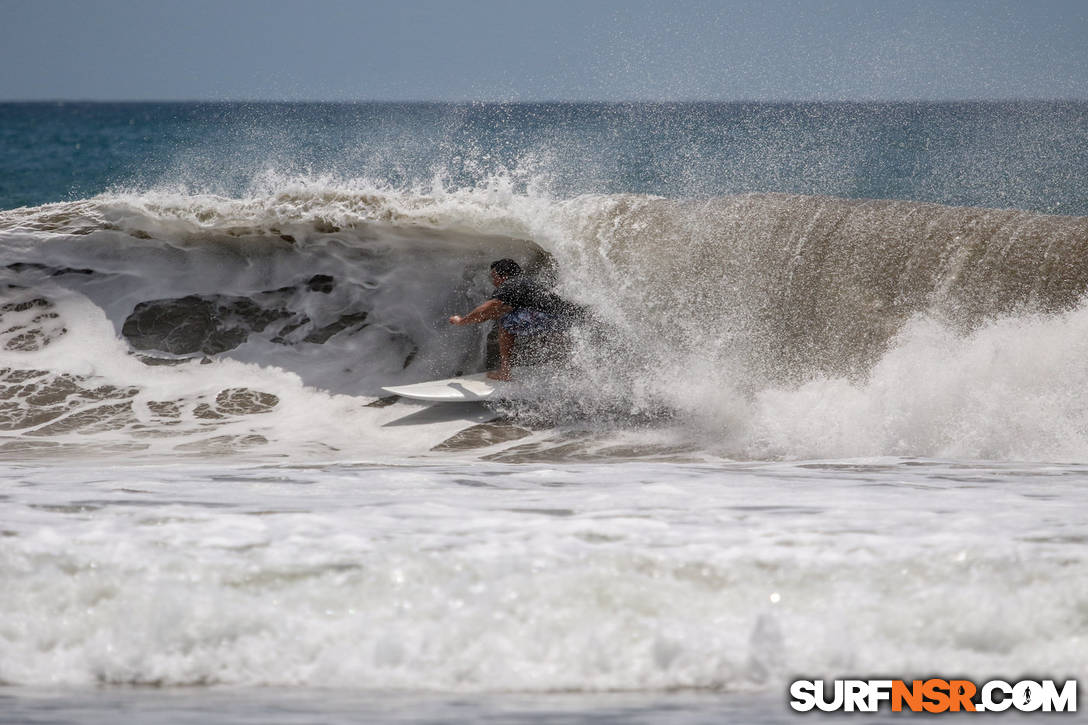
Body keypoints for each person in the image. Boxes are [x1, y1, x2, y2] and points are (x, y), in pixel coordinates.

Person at [449, 259, 577, 380]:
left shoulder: (510, 284)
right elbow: (492, 312)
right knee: (507, 313)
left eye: (494, 277)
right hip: (568, 319)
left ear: (504, 275)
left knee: (506, 320)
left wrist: (462, 321)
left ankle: (505, 372)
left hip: (552, 318)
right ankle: (569, 365)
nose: (494, 282)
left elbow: (488, 308)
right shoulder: (527, 284)